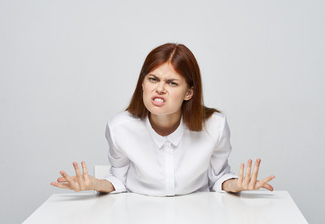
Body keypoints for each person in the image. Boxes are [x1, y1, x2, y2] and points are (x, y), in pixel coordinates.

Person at [51, 43, 275, 196]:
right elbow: (118, 178)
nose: (159, 89)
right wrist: (94, 184)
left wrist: (237, 185)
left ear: (189, 93)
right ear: (142, 83)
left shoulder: (214, 126)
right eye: (153, 79)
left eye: (172, 83)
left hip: (197, 213)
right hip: (138, 212)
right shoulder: (120, 127)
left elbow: (217, 178)